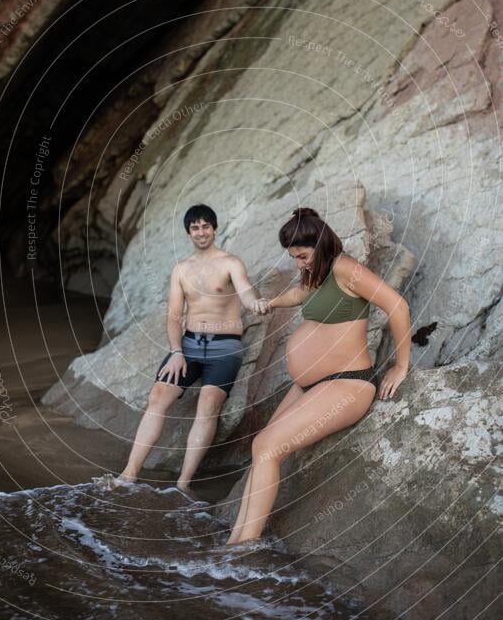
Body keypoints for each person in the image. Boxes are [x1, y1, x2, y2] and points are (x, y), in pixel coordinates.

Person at [227, 206, 411, 544]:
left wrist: (401, 366)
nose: (299, 263)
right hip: (311, 384)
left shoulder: (346, 268)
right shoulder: (318, 273)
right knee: (260, 447)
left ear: (321, 243)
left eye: (302, 255)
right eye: (294, 258)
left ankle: (243, 552)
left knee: (267, 447)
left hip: (348, 381)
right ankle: (233, 542)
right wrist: (272, 302)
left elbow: (396, 305)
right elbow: (300, 293)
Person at [97, 203, 267, 493]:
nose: (201, 232)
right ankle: (128, 475)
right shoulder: (181, 270)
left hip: (224, 346)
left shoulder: (231, 263)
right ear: (188, 233)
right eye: (195, 227)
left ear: (214, 228)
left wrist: (255, 303)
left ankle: (183, 485)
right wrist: (176, 352)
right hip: (189, 345)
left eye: (205, 226)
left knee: (208, 405)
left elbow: (246, 291)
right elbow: (174, 315)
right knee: (158, 395)